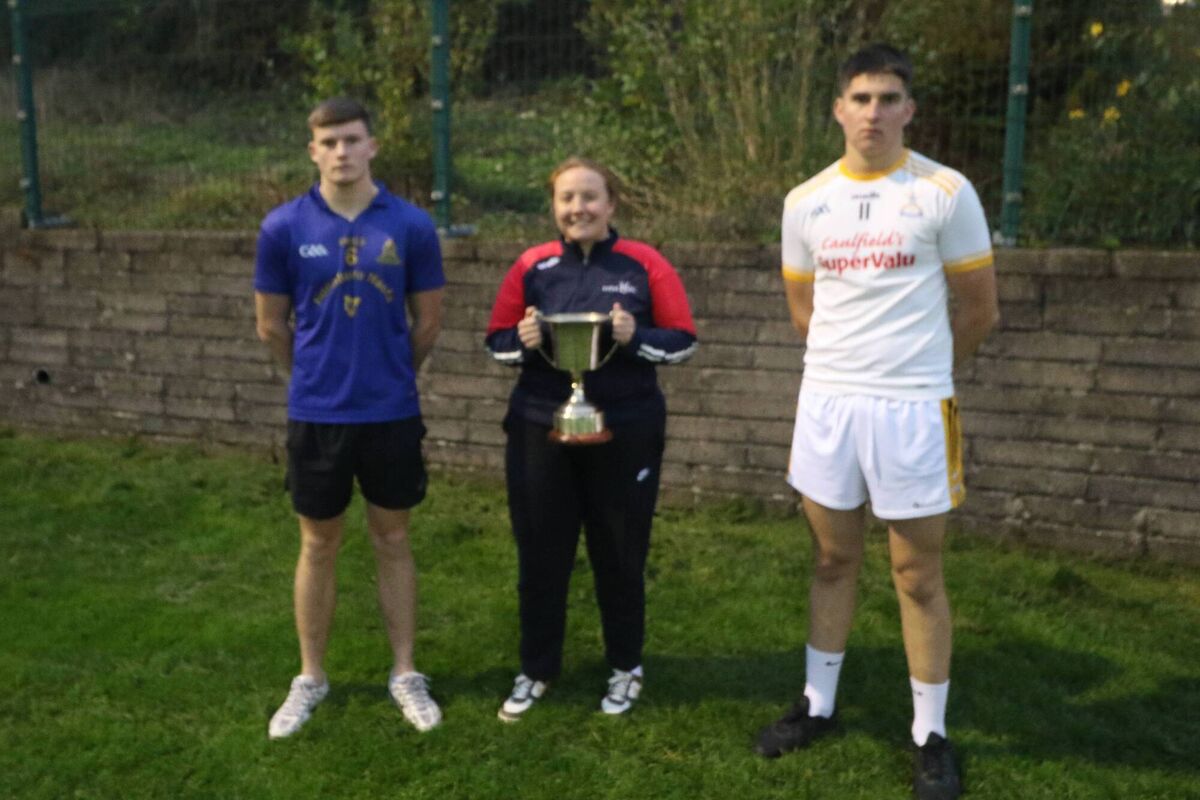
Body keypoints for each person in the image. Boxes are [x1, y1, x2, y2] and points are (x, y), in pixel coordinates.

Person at [757, 44, 999, 800]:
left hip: (914, 408)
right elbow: (807, 314)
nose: (873, 112)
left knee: (916, 572)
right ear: (838, 108)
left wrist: (921, 373)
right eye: (860, 98)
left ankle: (931, 733)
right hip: (829, 403)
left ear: (909, 110)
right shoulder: (805, 201)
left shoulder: (945, 192)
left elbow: (980, 310)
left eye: (888, 98)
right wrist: (852, 373)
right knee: (832, 560)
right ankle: (818, 704)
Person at [253, 97, 446, 739]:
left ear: (372, 146)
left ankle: (405, 673)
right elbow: (271, 326)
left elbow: (428, 324)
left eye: (351, 140)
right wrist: (313, 379)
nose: (341, 152)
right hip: (317, 415)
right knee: (319, 542)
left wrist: (389, 376)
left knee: (393, 539)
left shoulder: (412, 225)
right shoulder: (283, 226)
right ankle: (310, 677)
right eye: (328, 142)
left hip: (391, 411)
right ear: (312, 151)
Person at [484, 157, 697, 721]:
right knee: (540, 551)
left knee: (621, 550)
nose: (578, 208)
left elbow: (682, 341)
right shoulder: (532, 265)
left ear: (612, 205)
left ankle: (626, 666)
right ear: (554, 207)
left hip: (626, 427)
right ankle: (536, 668)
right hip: (539, 424)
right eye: (567, 199)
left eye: (590, 197)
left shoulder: (645, 263)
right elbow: (496, 343)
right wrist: (524, 338)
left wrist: (634, 335)